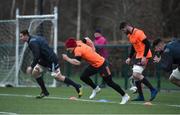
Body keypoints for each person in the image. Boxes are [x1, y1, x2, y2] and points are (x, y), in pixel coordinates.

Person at [62, 37, 130, 104]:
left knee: (110, 82)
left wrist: (67, 58)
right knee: (83, 77)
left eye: (68, 48)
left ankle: (125, 96)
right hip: (94, 65)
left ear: (72, 46)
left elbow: (77, 62)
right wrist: (93, 48)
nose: (67, 49)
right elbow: (87, 39)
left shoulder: (77, 50)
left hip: (102, 64)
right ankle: (96, 88)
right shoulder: (78, 42)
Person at [20, 30, 82, 98]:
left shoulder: (32, 42)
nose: (20, 38)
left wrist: (31, 66)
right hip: (43, 60)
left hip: (51, 60)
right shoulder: (35, 38)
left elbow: (37, 55)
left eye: (21, 36)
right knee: (35, 72)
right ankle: (44, 91)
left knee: (58, 77)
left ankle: (77, 86)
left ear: (26, 35)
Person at [119, 22, 158, 101]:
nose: (123, 32)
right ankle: (141, 96)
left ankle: (153, 89)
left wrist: (144, 57)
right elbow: (133, 47)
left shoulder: (138, 32)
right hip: (138, 56)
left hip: (145, 55)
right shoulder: (129, 35)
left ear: (127, 27)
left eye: (123, 30)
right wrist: (129, 57)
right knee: (136, 76)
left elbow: (147, 44)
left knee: (136, 74)